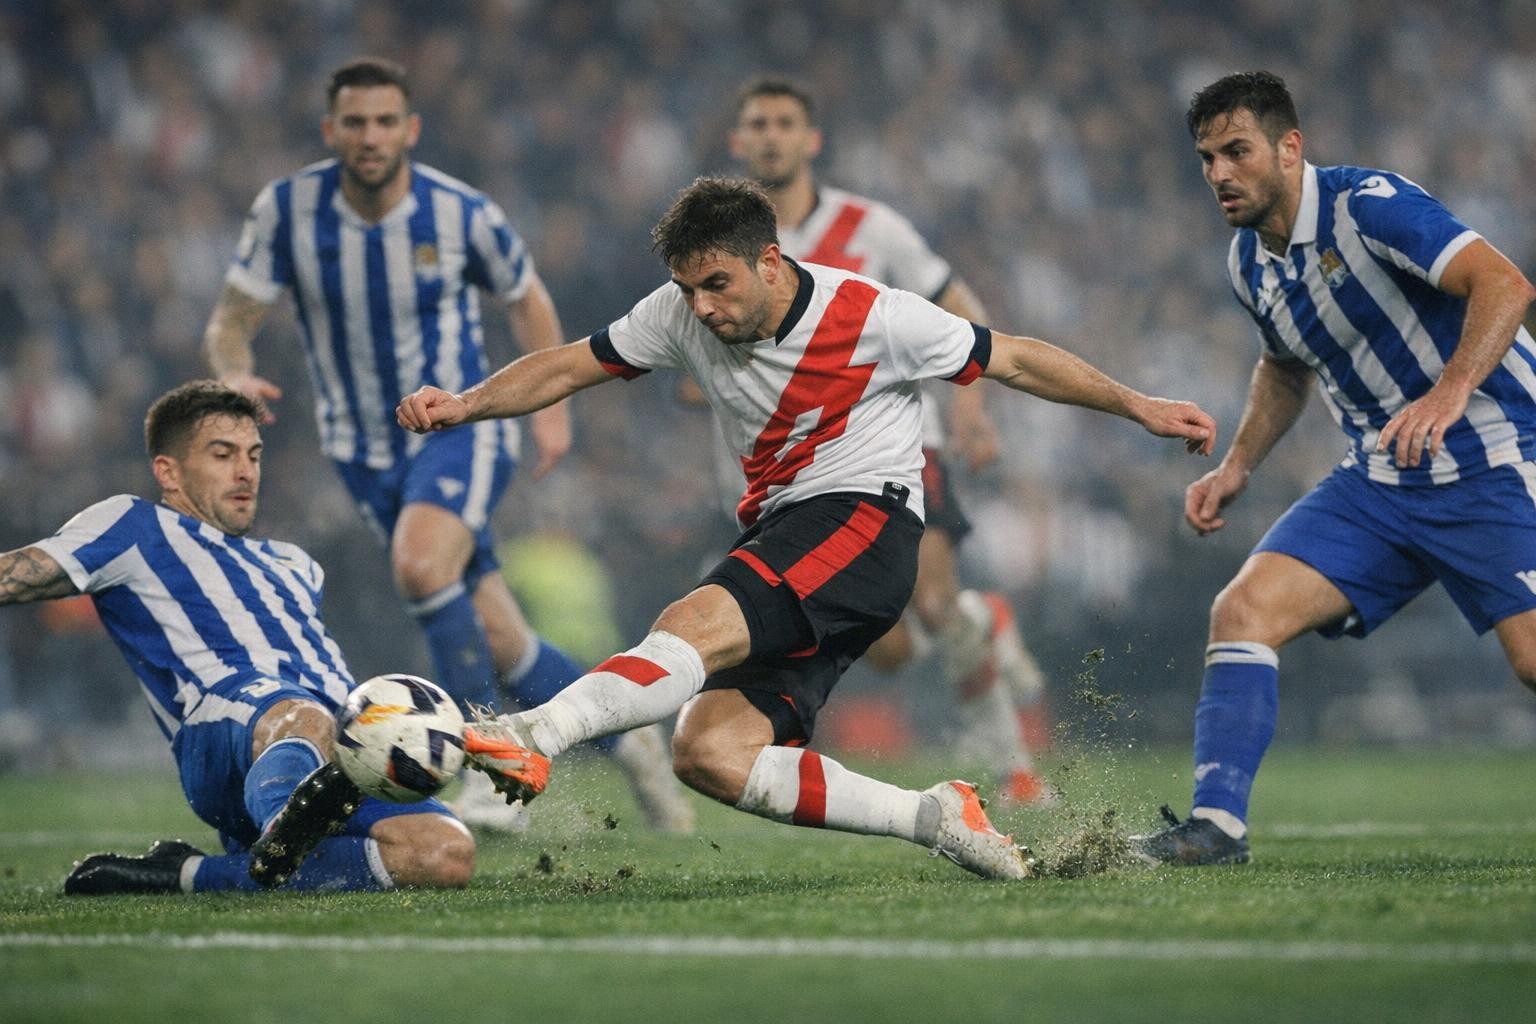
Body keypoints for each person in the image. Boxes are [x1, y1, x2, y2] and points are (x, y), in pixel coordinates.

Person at [397, 176, 1217, 879]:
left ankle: (535, 732)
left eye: (717, 284)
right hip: (785, 532)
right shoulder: (677, 313)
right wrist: (467, 403)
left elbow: (1017, 359)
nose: (701, 306)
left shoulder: (873, 315)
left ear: (769, 261)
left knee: (691, 624)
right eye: (687, 288)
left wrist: (1137, 405)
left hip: (865, 521)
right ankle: (935, 816)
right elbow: (570, 364)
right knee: (709, 754)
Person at [202, 57, 690, 833]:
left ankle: (481, 772)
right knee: (499, 636)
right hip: (360, 451)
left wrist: (551, 409)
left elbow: (526, 297)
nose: (370, 136)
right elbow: (232, 317)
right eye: (354, 122)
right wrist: (233, 372)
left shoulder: (461, 213)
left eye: (384, 121)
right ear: (331, 130)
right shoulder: (287, 211)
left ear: (410, 130)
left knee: (421, 564)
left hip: (459, 426)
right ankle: (627, 737)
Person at [1130, 71, 1536, 866]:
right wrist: (1238, 465)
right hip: (1382, 480)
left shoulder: (1368, 205)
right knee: (1242, 612)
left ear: (1290, 148)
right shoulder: (1248, 263)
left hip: (1495, 454)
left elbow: (1504, 283)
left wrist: (1450, 390)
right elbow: (1285, 367)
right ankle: (1216, 830)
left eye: (1237, 151)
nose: (1219, 174)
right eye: (1207, 159)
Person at [0, 381, 474, 894]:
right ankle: (284, 825)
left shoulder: (294, 564)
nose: (245, 471)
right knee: (303, 713)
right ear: (168, 472)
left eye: (253, 455)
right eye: (222, 455)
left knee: (445, 854)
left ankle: (186, 873)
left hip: (336, 740)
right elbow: (13, 576)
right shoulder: (132, 526)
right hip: (222, 730)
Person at [725, 77, 1052, 805]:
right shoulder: (730, 245)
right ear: (737, 141)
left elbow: (959, 304)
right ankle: (982, 620)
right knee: (893, 650)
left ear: (811, 140)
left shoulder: (871, 228)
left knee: (932, 604)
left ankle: (1017, 774)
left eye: (785, 122)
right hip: (802, 472)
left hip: (902, 443)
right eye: (758, 124)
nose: (772, 136)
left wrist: (970, 406)